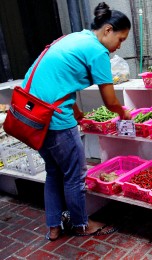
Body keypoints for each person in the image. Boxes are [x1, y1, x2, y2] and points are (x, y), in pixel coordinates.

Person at [20, 2, 131, 241]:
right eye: (121, 39)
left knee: (54, 172)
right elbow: (110, 99)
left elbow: (59, 83)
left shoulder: (74, 38)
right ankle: (82, 224)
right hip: (55, 120)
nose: (119, 46)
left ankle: (53, 227)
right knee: (74, 174)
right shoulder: (97, 51)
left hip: (32, 115)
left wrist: (78, 114)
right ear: (108, 30)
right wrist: (123, 113)